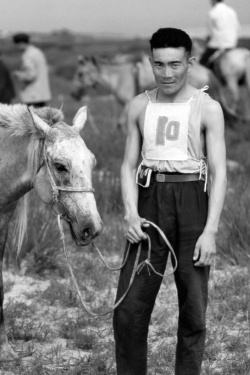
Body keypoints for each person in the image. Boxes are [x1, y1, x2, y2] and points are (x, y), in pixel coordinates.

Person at [113, 27, 227, 375]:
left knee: (193, 309)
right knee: (129, 309)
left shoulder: (208, 107)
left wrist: (210, 231)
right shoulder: (139, 105)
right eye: (159, 64)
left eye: (175, 64)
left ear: (190, 63)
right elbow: (128, 165)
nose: (167, 73)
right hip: (150, 201)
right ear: (150, 62)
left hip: (193, 200)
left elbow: (220, 173)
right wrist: (131, 214)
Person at [12, 33, 51, 107]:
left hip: (32, 95)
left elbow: (31, 75)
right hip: (42, 93)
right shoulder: (37, 52)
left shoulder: (28, 55)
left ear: (20, 43)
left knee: (31, 117)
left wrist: (18, 75)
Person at [200, 0, 240, 68]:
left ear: (214, 1)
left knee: (202, 62)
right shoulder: (231, 11)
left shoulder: (212, 12)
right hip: (232, 44)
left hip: (217, 44)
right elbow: (238, 27)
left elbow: (210, 32)